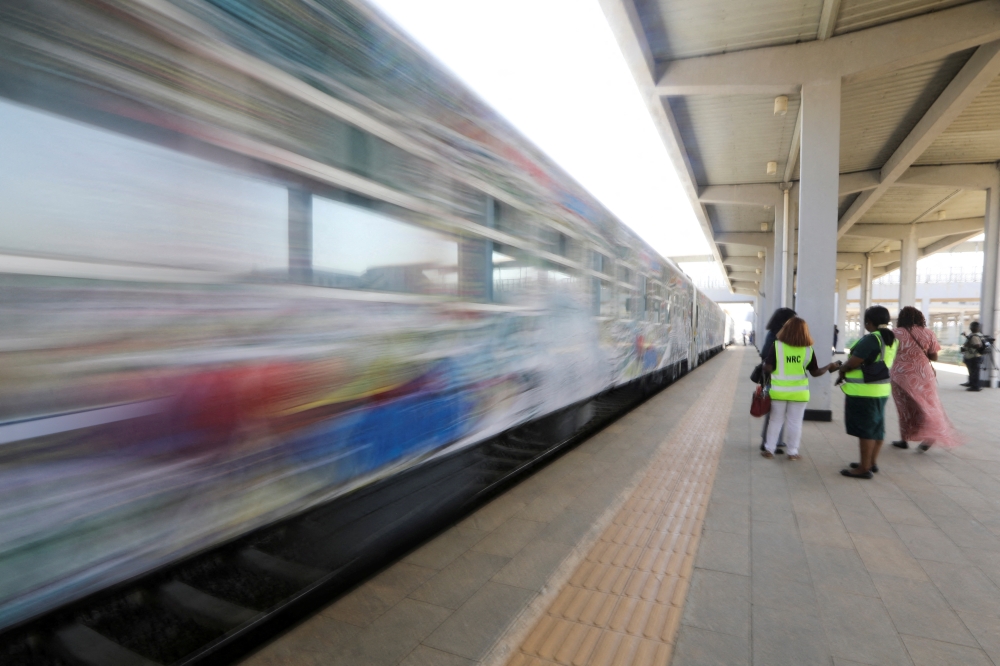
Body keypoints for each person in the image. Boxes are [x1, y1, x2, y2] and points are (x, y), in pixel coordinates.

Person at [760, 317, 840, 460]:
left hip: (779, 391)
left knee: (775, 420)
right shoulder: (808, 350)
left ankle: (769, 450)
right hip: (799, 392)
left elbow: (768, 368)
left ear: (785, 330)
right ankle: (792, 452)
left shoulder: (777, 346)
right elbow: (815, 372)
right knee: (795, 422)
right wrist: (829, 366)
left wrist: (765, 365)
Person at [836, 306, 898, 479]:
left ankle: (864, 468)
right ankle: (871, 462)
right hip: (881, 390)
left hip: (863, 392)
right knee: (877, 428)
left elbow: (853, 362)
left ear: (869, 322)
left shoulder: (872, 339)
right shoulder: (891, 338)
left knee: (866, 431)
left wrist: (841, 369)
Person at [889, 306, 961, 452]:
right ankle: (931, 435)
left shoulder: (894, 333)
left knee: (904, 408)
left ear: (901, 318)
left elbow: (888, 354)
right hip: (924, 375)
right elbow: (934, 357)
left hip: (900, 376)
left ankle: (904, 439)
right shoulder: (928, 333)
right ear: (920, 318)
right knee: (928, 406)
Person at [759, 308, 797, 454]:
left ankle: (773, 440)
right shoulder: (778, 335)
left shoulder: (775, 333)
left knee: (776, 411)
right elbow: (766, 354)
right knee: (775, 411)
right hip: (776, 377)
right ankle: (768, 443)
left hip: (777, 376)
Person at [962, 321, 985, 391]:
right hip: (975, 356)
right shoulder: (979, 335)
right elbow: (971, 340)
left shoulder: (974, 336)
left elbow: (977, 345)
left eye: (972, 327)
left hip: (974, 356)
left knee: (974, 372)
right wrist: (966, 336)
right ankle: (971, 383)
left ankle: (975, 387)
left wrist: (969, 345)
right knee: (972, 372)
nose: (971, 328)